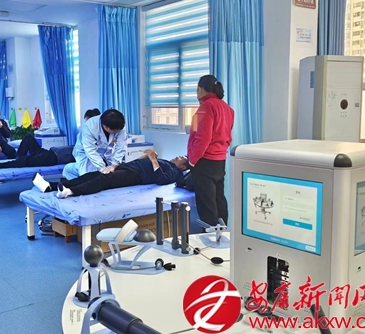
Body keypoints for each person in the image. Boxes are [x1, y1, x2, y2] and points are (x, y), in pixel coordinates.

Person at [187, 75, 234, 227]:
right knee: (219, 199)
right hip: (220, 161)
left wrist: (192, 160)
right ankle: (223, 232)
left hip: (205, 161)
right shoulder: (227, 108)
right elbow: (227, 136)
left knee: (207, 204)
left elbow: (203, 138)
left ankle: (210, 237)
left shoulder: (206, 107)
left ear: (200, 89)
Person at [56, 150, 187, 198]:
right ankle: (63, 184)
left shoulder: (176, 172)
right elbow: (140, 162)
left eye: (181, 157)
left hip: (135, 175)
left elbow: (161, 179)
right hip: (129, 167)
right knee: (95, 174)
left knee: (104, 179)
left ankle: (71, 192)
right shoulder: (167, 162)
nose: (177, 156)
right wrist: (147, 156)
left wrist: (153, 159)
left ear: (183, 167)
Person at [62, 109, 128, 180]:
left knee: (110, 173)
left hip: (104, 152)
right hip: (85, 152)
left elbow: (121, 146)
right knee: (87, 175)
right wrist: (103, 169)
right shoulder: (90, 126)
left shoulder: (119, 125)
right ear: (106, 127)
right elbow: (90, 151)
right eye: (116, 131)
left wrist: (113, 166)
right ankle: (68, 171)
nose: (118, 132)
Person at [0, 134, 74, 169]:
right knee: (28, 138)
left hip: (50, 159)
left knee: (24, 161)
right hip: (47, 152)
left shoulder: (80, 153)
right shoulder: (78, 145)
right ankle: (18, 160)